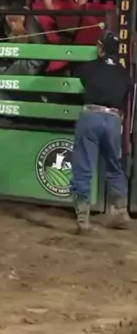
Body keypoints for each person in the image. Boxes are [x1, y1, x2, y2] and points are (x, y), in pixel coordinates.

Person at [70, 29, 133, 235]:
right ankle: (121, 211)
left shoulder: (89, 68)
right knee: (115, 165)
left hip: (91, 115)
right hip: (114, 119)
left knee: (84, 165)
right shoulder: (124, 74)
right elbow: (127, 90)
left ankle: (83, 218)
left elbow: (79, 77)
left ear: (100, 47)